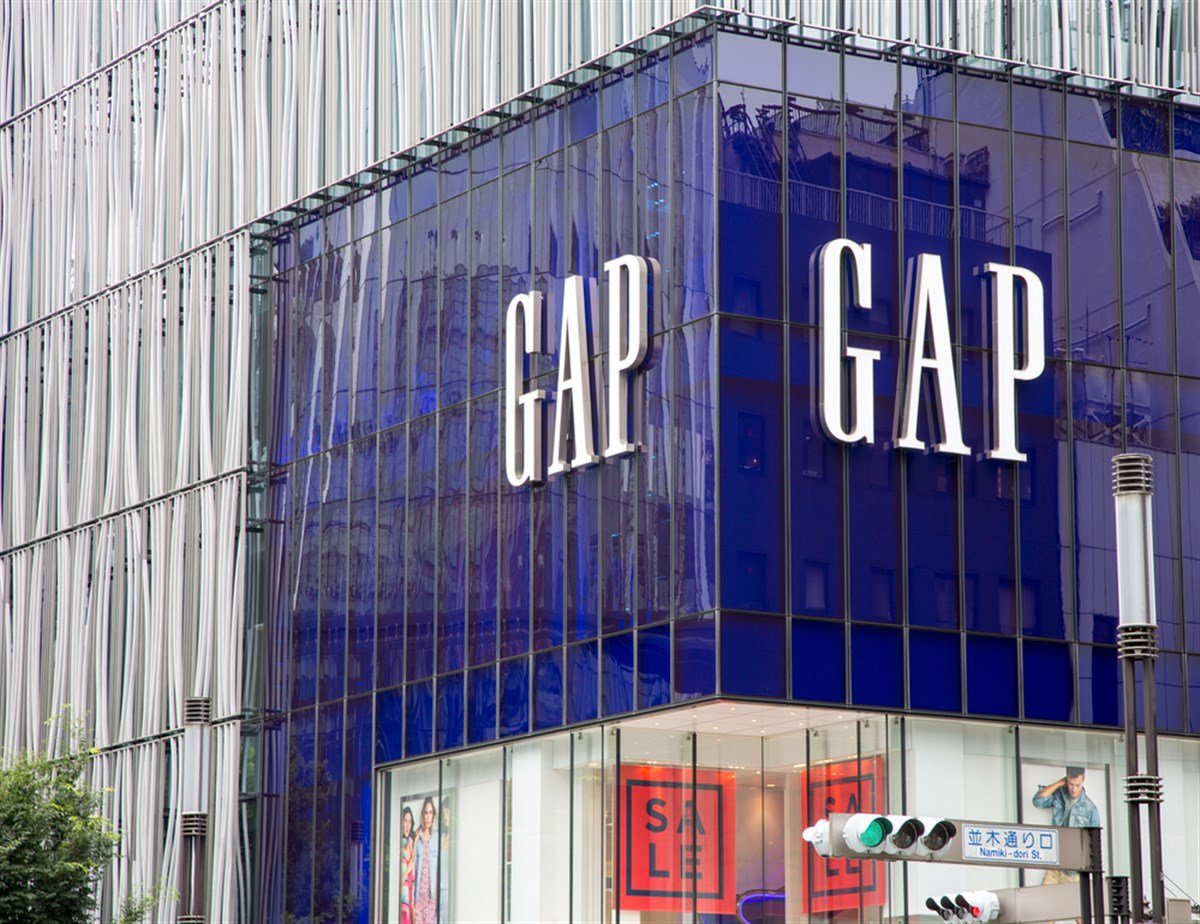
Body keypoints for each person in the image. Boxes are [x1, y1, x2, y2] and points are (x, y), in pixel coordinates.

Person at [1033, 766, 1101, 885]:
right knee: (1044, 895)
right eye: (1070, 784)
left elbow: (1095, 844)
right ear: (1066, 780)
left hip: (1074, 872)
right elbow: (1037, 801)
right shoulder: (1059, 795)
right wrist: (1059, 783)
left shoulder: (1090, 809)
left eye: (1077, 785)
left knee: (1071, 898)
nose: (1074, 789)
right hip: (1055, 866)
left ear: (1083, 780)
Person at [412, 797, 439, 924]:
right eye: (426, 812)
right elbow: (412, 862)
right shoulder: (417, 836)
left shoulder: (436, 837)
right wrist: (415, 840)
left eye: (430, 812)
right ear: (423, 815)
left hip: (431, 895)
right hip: (418, 894)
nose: (428, 816)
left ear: (433, 815)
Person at [399, 806, 416, 924]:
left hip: (410, 903)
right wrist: (407, 870)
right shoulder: (398, 846)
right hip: (400, 903)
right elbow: (398, 882)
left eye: (409, 822)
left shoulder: (411, 844)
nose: (407, 825)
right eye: (405, 821)